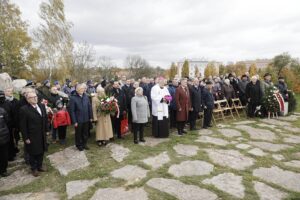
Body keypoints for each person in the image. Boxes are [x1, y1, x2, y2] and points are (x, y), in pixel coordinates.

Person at [19, 91, 49, 177]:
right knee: (33, 152)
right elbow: (23, 126)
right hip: (32, 135)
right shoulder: (24, 109)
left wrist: (46, 130)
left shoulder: (42, 106)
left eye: (35, 96)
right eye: (32, 97)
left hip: (41, 133)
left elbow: (45, 119)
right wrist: (26, 138)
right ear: (28, 99)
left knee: (42, 150)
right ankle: (34, 168)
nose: (35, 98)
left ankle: (40, 166)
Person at [69, 83, 93, 151]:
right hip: (78, 119)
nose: (83, 90)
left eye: (83, 88)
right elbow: (72, 111)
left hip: (86, 118)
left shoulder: (86, 96)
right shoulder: (73, 98)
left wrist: (90, 117)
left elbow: (89, 107)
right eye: (81, 89)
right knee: (78, 133)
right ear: (77, 90)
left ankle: (84, 144)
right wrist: (74, 121)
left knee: (85, 133)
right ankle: (79, 145)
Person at [0, 107, 10, 177]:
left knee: (4, 155)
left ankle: (3, 170)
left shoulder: (2, 110)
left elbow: (7, 121)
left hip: (3, 136)